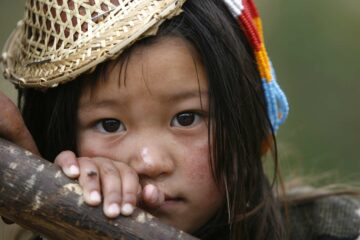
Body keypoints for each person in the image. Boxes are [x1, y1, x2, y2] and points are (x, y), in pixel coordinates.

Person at [0, 0, 359, 239]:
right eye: (109, 124)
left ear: (247, 121)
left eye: (187, 118)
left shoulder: (337, 227)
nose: (149, 162)